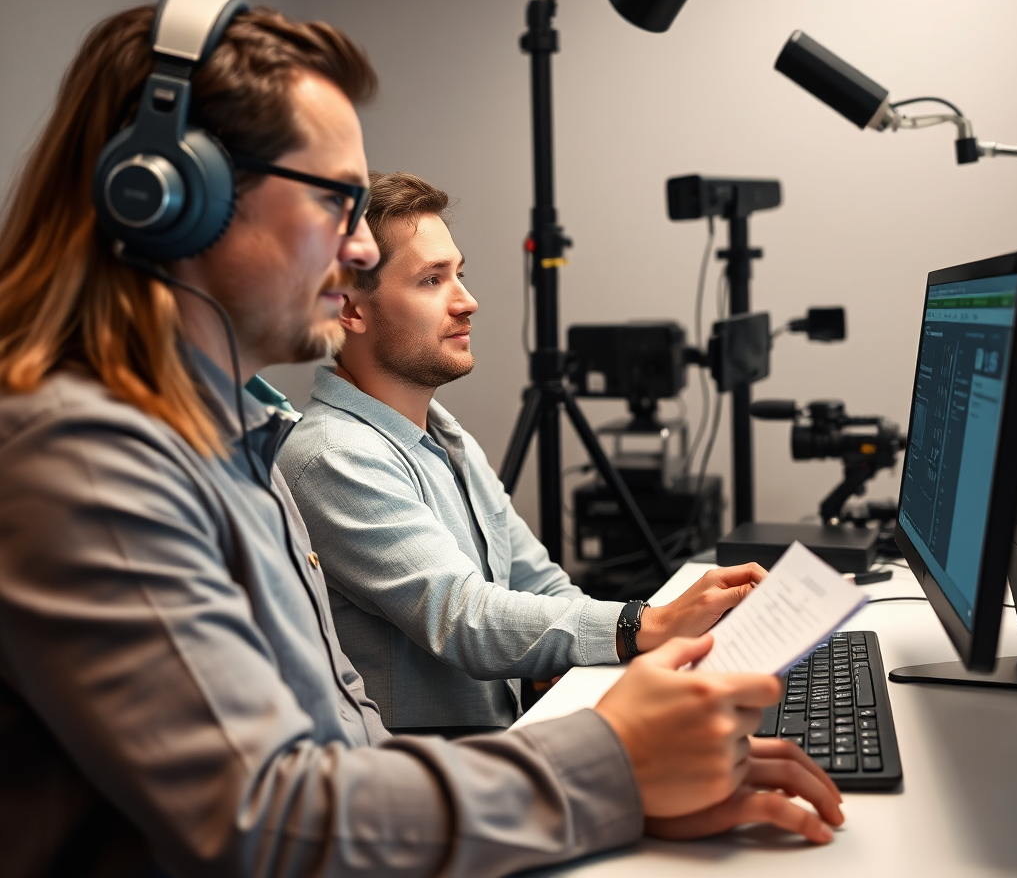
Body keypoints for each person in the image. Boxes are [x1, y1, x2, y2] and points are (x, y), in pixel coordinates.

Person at [0, 0, 842, 878]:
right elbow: (268, 820)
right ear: (168, 198)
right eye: (338, 201)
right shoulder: (87, 461)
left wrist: (630, 788)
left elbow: (347, 745)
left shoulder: (239, 441)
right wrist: (613, 766)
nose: (361, 248)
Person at [279, 171, 768, 734]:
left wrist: (626, 652)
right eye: (431, 281)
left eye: (458, 274)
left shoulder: (444, 435)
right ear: (350, 310)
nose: (468, 302)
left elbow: (542, 586)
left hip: (504, 738)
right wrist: (645, 625)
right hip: (432, 774)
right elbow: (463, 619)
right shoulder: (331, 456)